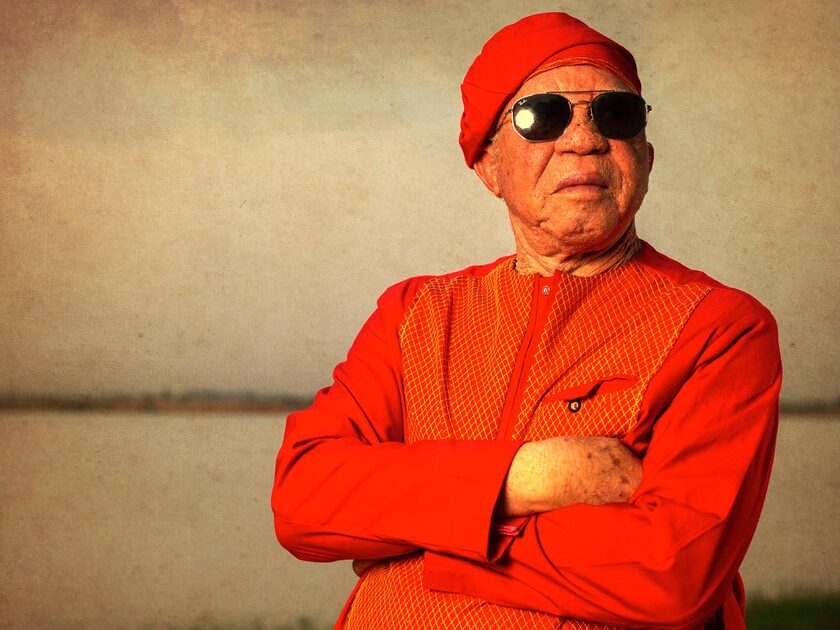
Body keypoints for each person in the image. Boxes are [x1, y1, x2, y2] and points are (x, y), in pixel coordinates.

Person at [271, 12, 781, 630]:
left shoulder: (719, 328)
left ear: (646, 156)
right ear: (489, 165)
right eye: (543, 117)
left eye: (616, 114)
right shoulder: (414, 314)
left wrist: (430, 539)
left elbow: (672, 573)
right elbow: (304, 498)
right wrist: (530, 478)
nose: (584, 139)